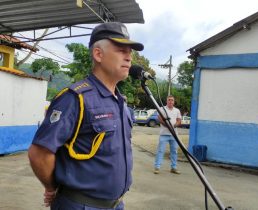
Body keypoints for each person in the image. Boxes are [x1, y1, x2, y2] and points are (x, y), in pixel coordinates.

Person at [28, 22, 144, 210]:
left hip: (116, 204)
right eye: (121, 50)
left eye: (130, 53)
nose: (129, 58)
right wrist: (51, 187)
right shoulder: (75, 98)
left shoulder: (120, 101)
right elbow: (39, 153)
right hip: (82, 205)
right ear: (98, 54)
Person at [154, 95, 182, 174]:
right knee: (160, 151)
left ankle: (173, 167)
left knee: (174, 151)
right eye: (169, 100)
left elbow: (179, 120)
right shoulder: (162, 109)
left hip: (174, 134)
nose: (170, 101)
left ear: (174, 101)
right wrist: (167, 125)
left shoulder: (177, 110)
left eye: (172, 100)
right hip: (164, 134)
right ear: (166, 101)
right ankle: (157, 167)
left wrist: (174, 125)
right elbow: (159, 118)